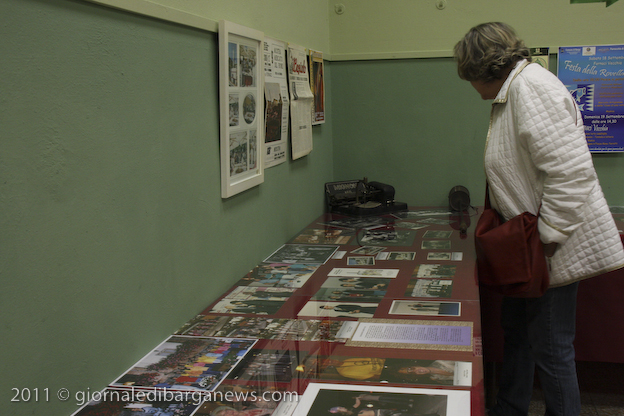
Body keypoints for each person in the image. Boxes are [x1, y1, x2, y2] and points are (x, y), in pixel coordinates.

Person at [453, 22, 624, 416]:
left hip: (547, 246)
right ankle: (510, 407)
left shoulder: (531, 88)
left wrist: (548, 237)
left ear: (483, 68)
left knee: (551, 346)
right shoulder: (516, 89)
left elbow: (571, 174)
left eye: (469, 77)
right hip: (528, 244)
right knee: (518, 332)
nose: (471, 87)